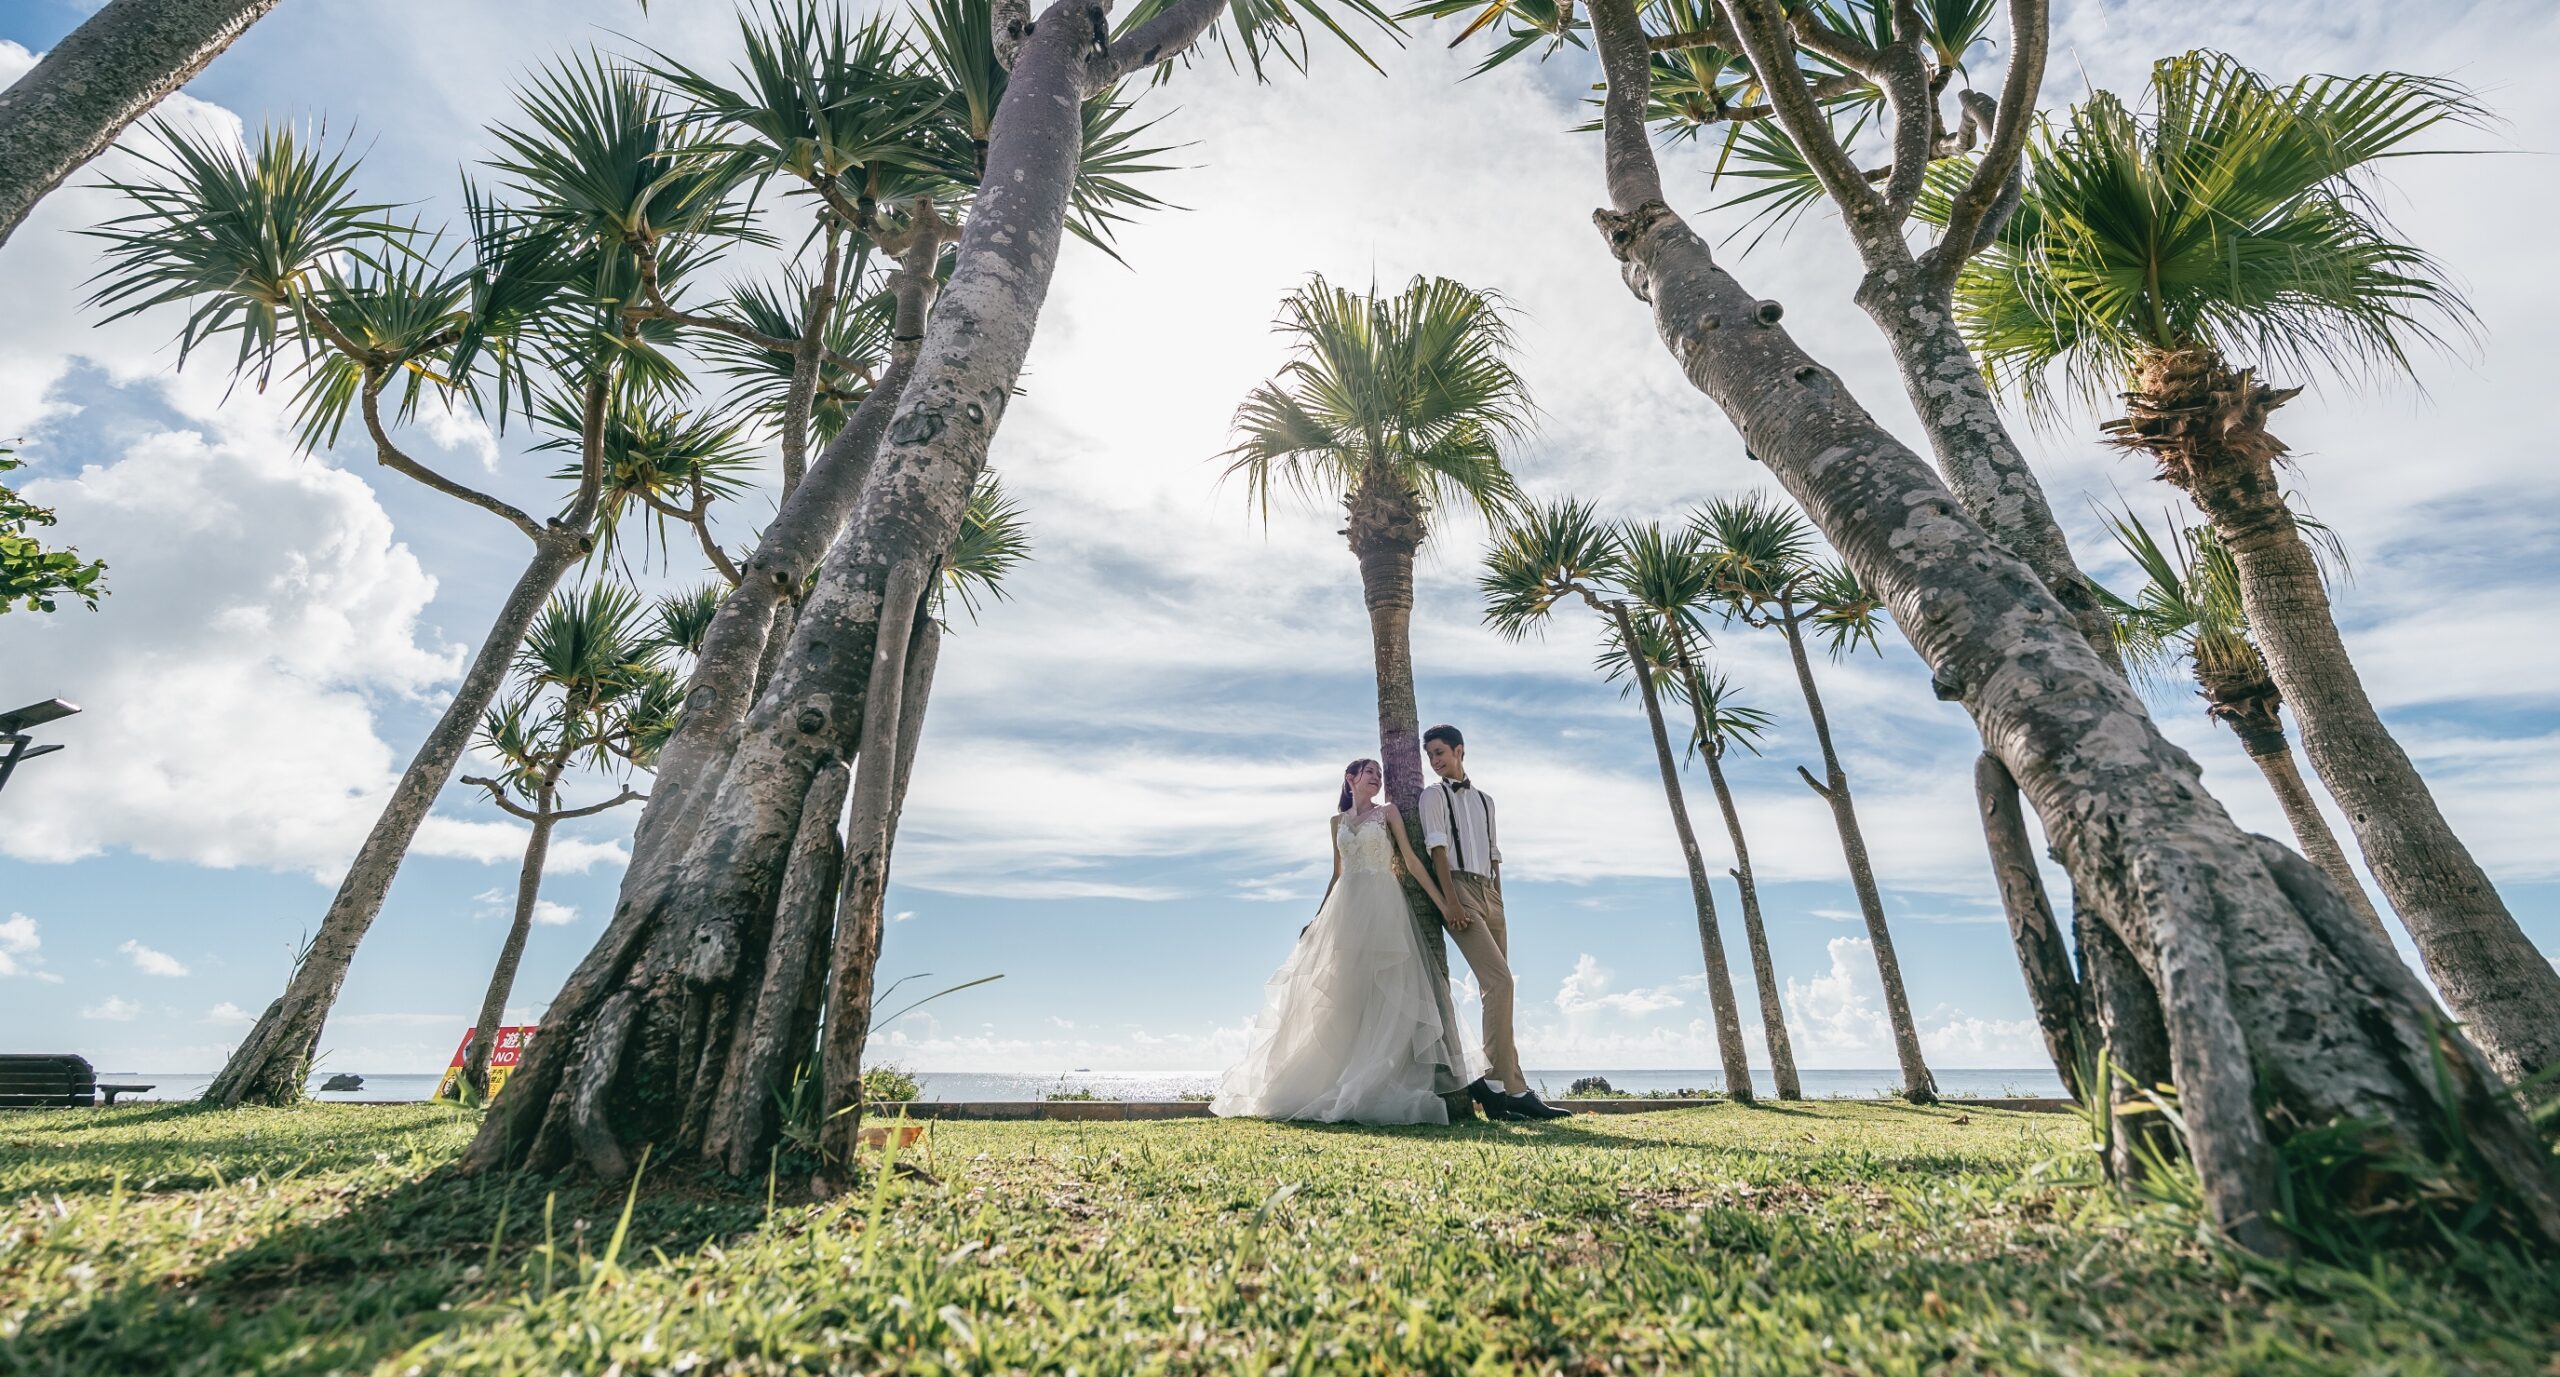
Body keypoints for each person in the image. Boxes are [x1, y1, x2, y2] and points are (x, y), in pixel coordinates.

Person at [1212, 759, 1473, 1124]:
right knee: (1344, 992)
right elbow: (1336, 875)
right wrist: (1318, 919)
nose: (1377, 778)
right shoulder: (1337, 822)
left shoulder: (1389, 813)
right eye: (1370, 772)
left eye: (1380, 773)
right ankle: (1336, 1077)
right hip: (1346, 908)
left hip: (1383, 904)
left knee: (1383, 989)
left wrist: (1444, 904)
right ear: (1350, 779)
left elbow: (1412, 862)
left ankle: (1376, 1080)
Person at [1419, 724, 1571, 1121]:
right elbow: (1437, 850)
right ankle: (1501, 1087)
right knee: (1500, 982)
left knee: (1498, 991)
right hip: (1460, 892)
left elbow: (1494, 853)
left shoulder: (1486, 801)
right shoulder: (1433, 796)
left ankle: (1509, 1087)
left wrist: (1498, 898)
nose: (1435, 761)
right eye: (1430, 755)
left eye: (1439, 752)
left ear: (1459, 750)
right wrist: (1450, 902)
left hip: (1490, 893)